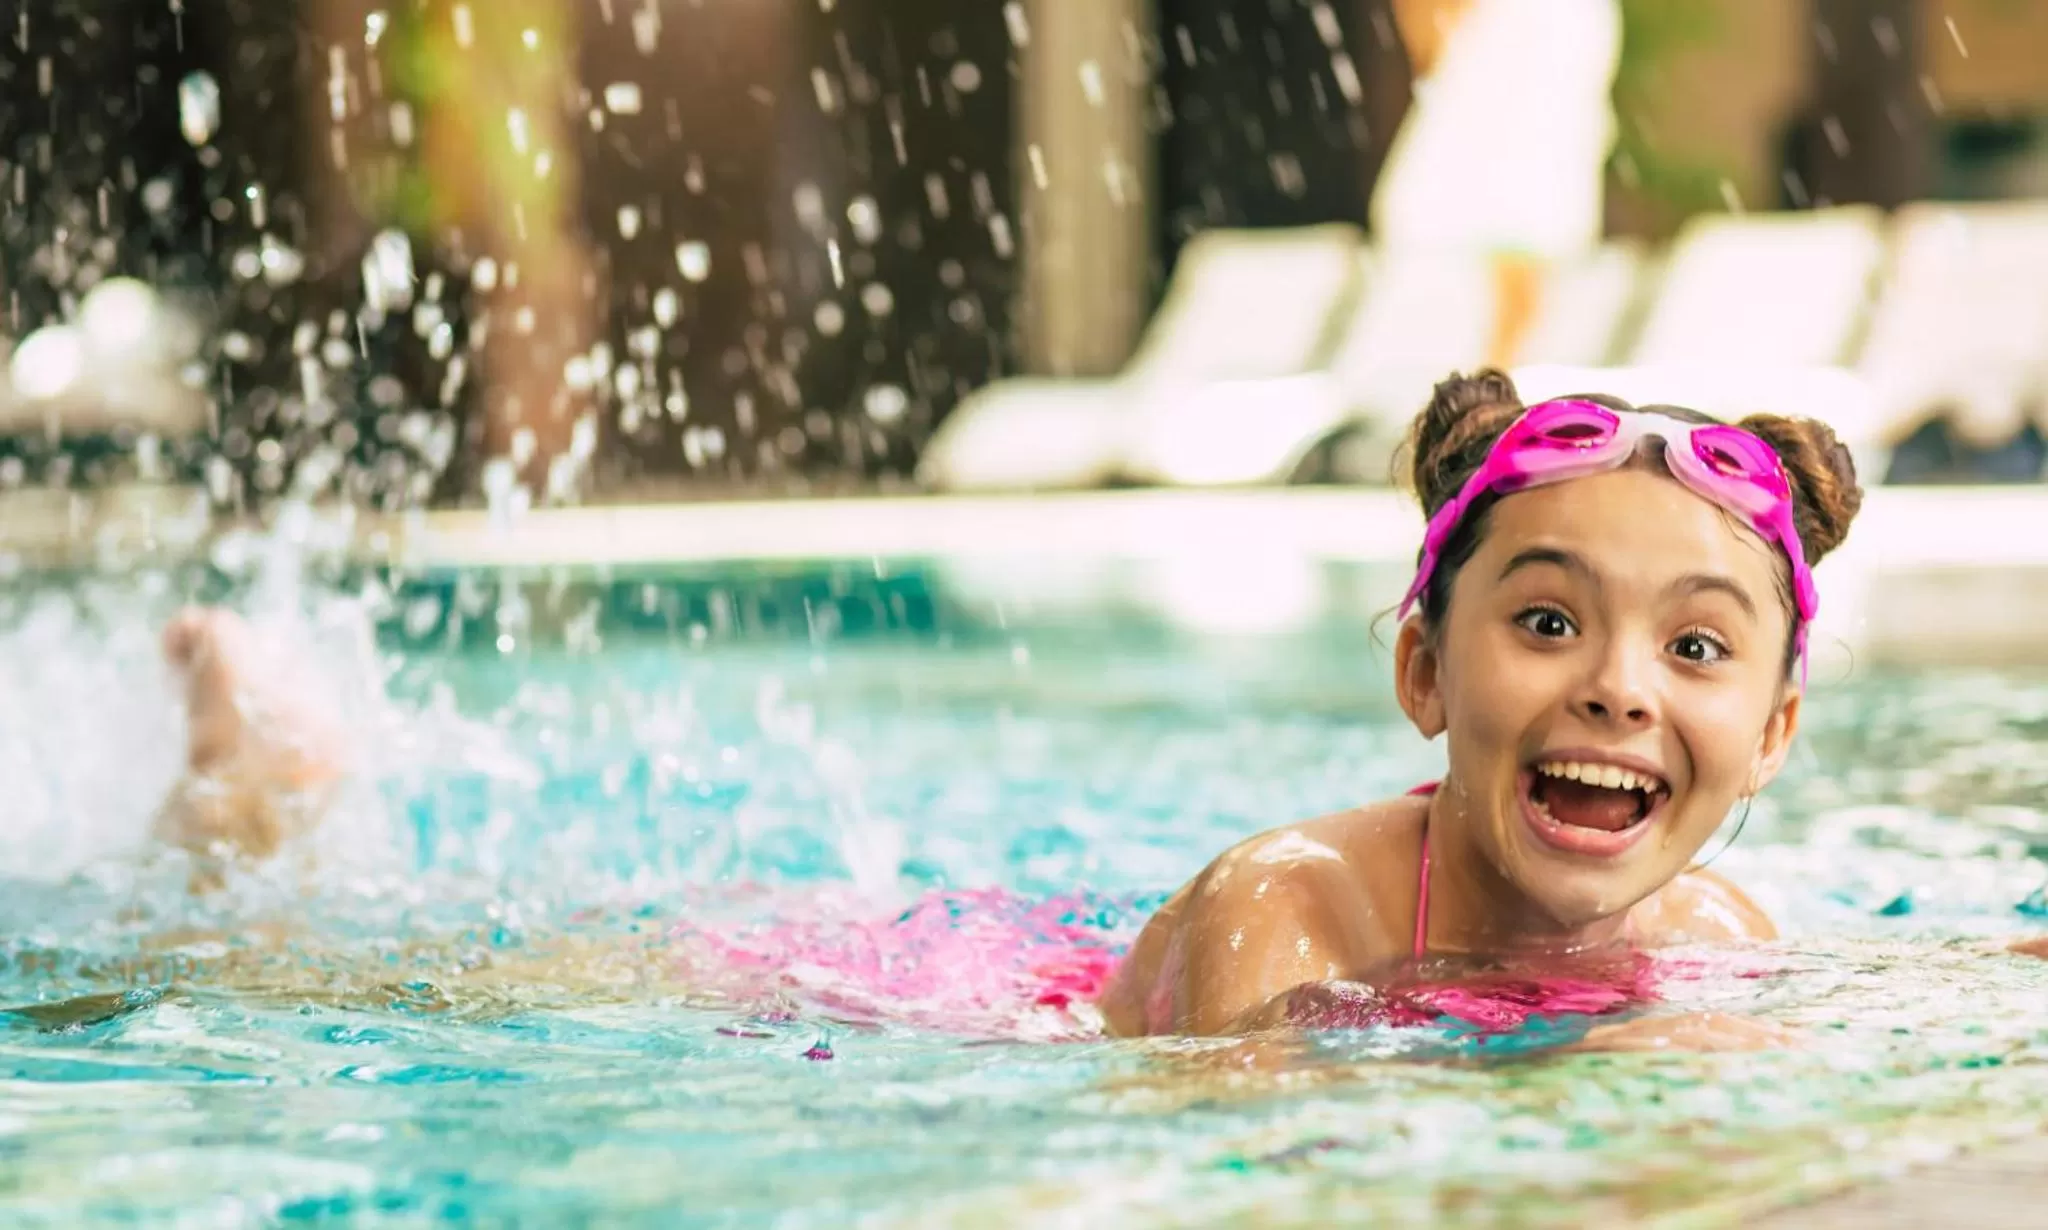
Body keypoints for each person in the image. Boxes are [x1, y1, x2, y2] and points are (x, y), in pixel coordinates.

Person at [1098, 369, 1859, 1045]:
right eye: (1548, 624)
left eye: (1695, 647)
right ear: (1426, 672)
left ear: (1771, 734)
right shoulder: (1285, 906)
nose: (1619, 691)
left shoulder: (1721, 936)